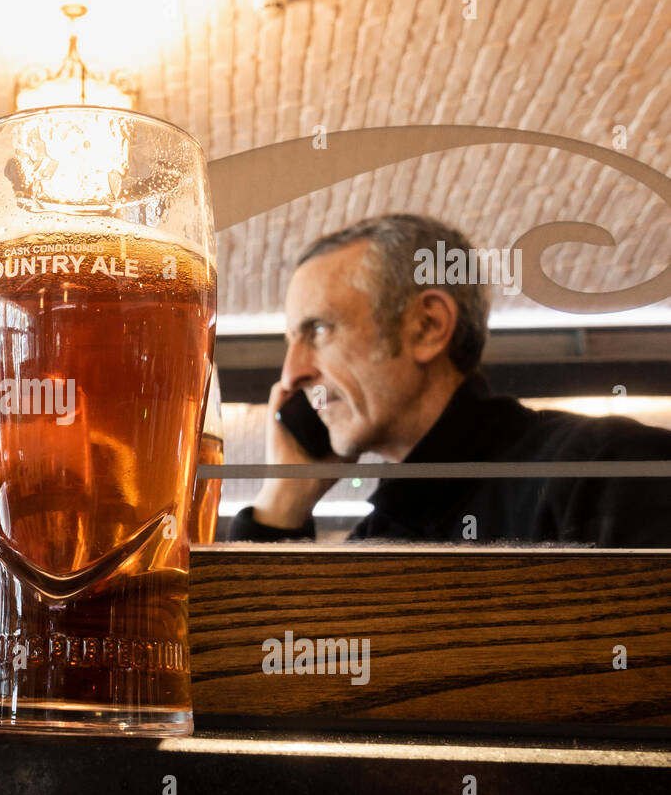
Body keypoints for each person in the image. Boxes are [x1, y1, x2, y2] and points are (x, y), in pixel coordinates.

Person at [227, 213, 671, 547]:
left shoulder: (604, 469)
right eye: (291, 341)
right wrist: (283, 503)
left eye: (318, 329)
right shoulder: (368, 543)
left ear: (427, 327)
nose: (291, 373)